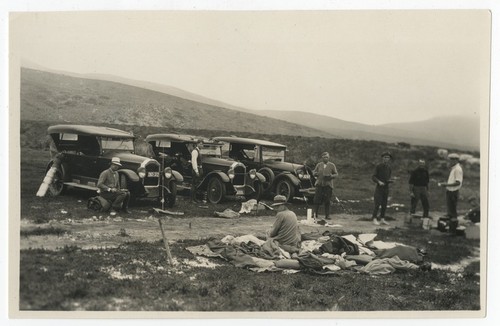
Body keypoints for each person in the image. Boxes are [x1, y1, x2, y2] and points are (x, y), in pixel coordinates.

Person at [437, 153, 463, 232]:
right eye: (450, 160)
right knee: (450, 211)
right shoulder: (454, 168)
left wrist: (446, 184)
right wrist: (446, 184)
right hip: (450, 191)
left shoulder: (457, 169)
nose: (450, 161)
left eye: (452, 160)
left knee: (452, 211)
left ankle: (453, 229)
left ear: (456, 160)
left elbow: (458, 182)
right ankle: (450, 227)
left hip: (453, 191)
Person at [312, 152, 338, 220]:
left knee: (327, 201)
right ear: (322, 158)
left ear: (329, 158)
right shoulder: (319, 165)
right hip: (319, 185)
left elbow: (336, 174)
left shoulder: (332, 165)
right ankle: (315, 214)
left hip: (328, 186)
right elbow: (313, 172)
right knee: (316, 200)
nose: (325, 158)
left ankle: (327, 215)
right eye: (324, 157)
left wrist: (331, 176)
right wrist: (316, 174)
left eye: (326, 157)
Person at [371, 152, 393, 226]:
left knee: (384, 204)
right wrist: (379, 182)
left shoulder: (389, 168)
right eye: (385, 157)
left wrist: (390, 181)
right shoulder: (378, 166)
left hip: (386, 188)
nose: (386, 159)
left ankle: (382, 218)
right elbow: (373, 177)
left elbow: (388, 178)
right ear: (382, 158)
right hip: (379, 188)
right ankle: (374, 218)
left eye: (388, 158)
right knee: (377, 203)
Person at [190, 139, 204, 203]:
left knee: (196, 184)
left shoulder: (198, 151)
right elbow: (194, 162)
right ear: (197, 144)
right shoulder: (195, 151)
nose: (202, 145)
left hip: (199, 168)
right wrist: (196, 171)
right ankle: (192, 199)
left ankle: (195, 198)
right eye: (200, 144)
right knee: (194, 184)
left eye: (202, 144)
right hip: (196, 169)